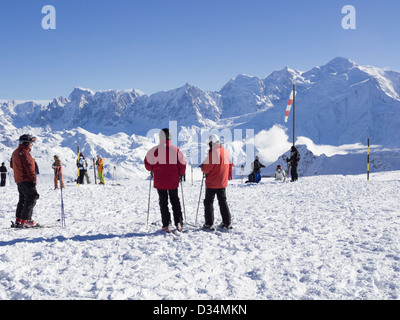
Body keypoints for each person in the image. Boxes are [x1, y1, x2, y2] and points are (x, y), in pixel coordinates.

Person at [144, 128, 186, 233]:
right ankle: (179, 222)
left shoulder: (154, 151)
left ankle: (166, 224)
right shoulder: (176, 150)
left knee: (163, 202)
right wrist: (180, 173)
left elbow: (148, 165)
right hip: (173, 181)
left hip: (160, 181)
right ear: (170, 137)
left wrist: (154, 168)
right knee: (175, 201)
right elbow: (182, 164)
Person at [200, 134, 233, 230]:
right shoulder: (225, 151)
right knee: (222, 201)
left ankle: (209, 223)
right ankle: (227, 222)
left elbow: (206, 168)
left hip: (212, 182)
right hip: (222, 182)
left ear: (211, 143)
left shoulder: (214, 153)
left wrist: (202, 166)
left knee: (208, 202)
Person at [10, 134, 40, 228]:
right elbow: (29, 167)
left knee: (23, 198)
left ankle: (19, 220)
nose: (32, 145)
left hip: (19, 179)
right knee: (32, 197)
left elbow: (12, 165)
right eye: (31, 142)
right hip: (26, 179)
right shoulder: (25, 153)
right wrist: (33, 179)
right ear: (26, 143)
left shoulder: (15, 152)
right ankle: (26, 220)